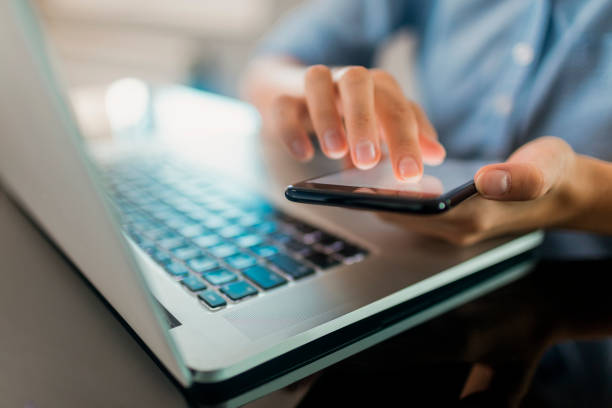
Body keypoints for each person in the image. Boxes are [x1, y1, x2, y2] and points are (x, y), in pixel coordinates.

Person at [240, 0, 612, 405]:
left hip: (585, 329)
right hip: (423, 290)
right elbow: (267, 68)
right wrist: (311, 89)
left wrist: (585, 196)